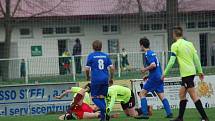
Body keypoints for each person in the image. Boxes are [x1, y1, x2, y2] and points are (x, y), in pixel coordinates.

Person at [163, 26, 209, 121]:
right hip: (190, 72)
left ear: (174, 35)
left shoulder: (175, 45)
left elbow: (171, 61)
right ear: (182, 34)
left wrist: (164, 73)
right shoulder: (189, 44)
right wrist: (200, 71)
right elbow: (196, 58)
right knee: (181, 94)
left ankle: (205, 118)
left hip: (186, 74)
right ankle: (180, 118)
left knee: (193, 96)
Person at [136, 37, 173, 119]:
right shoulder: (152, 53)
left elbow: (153, 65)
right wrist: (148, 75)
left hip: (154, 78)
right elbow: (156, 67)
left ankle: (145, 114)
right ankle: (169, 113)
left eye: (140, 46)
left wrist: (144, 69)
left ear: (142, 46)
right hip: (159, 76)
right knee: (162, 96)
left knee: (142, 94)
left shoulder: (147, 53)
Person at [85, 40, 115, 121]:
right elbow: (112, 68)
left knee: (94, 97)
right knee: (102, 97)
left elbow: (87, 69)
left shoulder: (91, 56)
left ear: (93, 47)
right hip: (105, 79)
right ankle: (103, 118)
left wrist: (88, 77)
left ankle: (105, 110)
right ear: (101, 47)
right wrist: (111, 78)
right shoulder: (106, 56)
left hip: (95, 79)